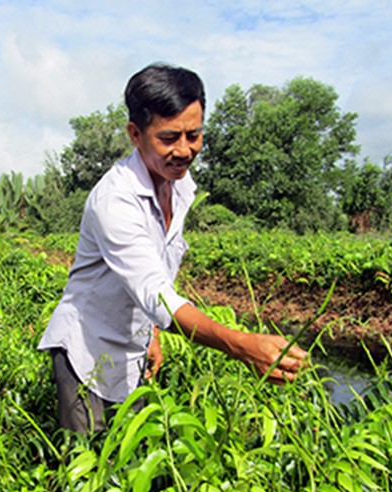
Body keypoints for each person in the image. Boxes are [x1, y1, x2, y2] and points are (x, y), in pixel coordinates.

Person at [38, 63, 309, 433]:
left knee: (131, 458)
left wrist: (152, 333)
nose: (184, 150)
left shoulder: (180, 185)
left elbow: (157, 272)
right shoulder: (114, 201)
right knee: (86, 469)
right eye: (169, 138)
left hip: (134, 345)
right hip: (88, 348)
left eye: (194, 135)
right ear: (135, 134)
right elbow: (156, 292)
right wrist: (242, 345)